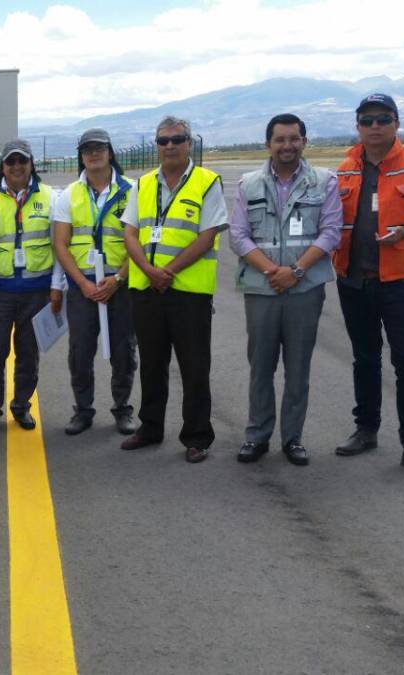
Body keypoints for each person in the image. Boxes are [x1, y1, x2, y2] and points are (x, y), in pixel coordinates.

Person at [333, 94, 404, 480]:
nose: (375, 126)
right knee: (365, 359)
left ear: (397, 123)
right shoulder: (345, 170)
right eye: (367, 120)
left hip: (399, 281)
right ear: (358, 126)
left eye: (383, 119)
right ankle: (366, 430)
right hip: (353, 280)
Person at [228, 114, 342, 466]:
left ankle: (293, 438)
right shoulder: (248, 184)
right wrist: (271, 271)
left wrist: (295, 271)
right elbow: (238, 235)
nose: (287, 145)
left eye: (294, 138)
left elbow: (331, 231)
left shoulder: (324, 182)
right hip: (262, 290)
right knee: (261, 366)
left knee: (298, 368)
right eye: (280, 139)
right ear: (268, 144)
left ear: (304, 142)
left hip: (304, 290)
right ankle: (257, 436)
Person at [120, 116, 228, 463]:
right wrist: (149, 270)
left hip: (188, 293)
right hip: (147, 289)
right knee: (152, 364)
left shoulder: (207, 182)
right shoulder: (143, 184)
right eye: (163, 141)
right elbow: (130, 232)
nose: (169, 146)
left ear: (189, 143)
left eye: (177, 139)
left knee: (194, 366)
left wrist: (168, 271)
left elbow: (208, 235)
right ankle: (150, 427)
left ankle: (197, 436)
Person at [50, 128, 138, 437]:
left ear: (110, 152)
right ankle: (83, 410)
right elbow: (61, 244)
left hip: (121, 284)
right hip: (82, 285)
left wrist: (118, 278)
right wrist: (83, 285)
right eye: (87, 149)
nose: (94, 153)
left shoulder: (132, 191)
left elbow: (140, 242)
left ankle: (123, 409)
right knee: (80, 351)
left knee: (124, 351)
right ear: (81, 156)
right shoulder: (69, 195)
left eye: (99, 148)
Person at [0, 139, 64, 432]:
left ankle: (21, 406)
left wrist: (56, 286)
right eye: (10, 162)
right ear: (2, 167)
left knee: (28, 354)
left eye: (22, 161)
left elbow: (58, 246)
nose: (16, 167)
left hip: (36, 292)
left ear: (31, 164)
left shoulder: (51, 197)